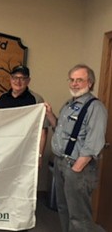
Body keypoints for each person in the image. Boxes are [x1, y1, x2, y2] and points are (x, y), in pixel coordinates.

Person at [45, 64, 107, 232]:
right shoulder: (68, 105)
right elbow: (61, 130)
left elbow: (94, 143)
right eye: (72, 80)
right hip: (61, 163)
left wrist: (77, 168)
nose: (74, 84)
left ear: (90, 83)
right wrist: (50, 114)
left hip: (78, 167)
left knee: (79, 216)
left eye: (79, 80)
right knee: (64, 209)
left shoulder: (95, 108)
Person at [0, 65, 49, 166]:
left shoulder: (36, 100)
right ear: (10, 79)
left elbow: (43, 131)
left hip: (26, 152)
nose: (18, 81)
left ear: (28, 81)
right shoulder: (2, 98)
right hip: (4, 150)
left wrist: (39, 155)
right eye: (15, 78)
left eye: (22, 78)